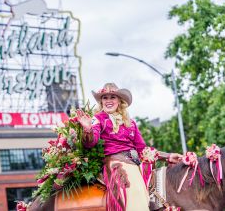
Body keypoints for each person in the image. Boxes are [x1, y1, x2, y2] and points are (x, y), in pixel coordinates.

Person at [76, 83, 182, 211]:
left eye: (112, 97)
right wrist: (87, 129)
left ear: (119, 101)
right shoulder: (98, 119)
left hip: (134, 166)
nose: (108, 101)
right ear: (101, 101)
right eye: (105, 97)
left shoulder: (130, 123)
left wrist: (168, 156)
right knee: (134, 196)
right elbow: (90, 143)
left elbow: (143, 150)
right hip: (116, 165)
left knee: (148, 196)